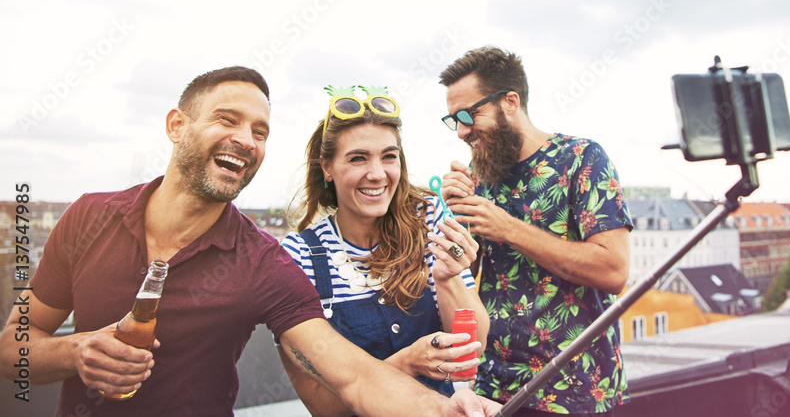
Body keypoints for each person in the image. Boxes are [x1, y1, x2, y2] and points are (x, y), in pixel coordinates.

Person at [0, 66, 499, 417]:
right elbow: (12, 352)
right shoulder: (88, 216)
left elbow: (354, 378)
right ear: (177, 125)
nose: (247, 139)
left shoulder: (263, 263)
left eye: (260, 131)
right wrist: (77, 352)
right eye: (227, 119)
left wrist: (444, 409)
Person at [439, 47, 632, 415]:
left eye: (469, 114)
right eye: (454, 120)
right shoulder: (478, 174)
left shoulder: (582, 158)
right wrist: (457, 222)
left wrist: (508, 228)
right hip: (494, 391)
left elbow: (613, 271)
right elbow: (468, 280)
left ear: (510, 101)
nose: (462, 131)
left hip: (577, 393)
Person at [279, 85, 489, 414]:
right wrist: (408, 361)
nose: (377, 174)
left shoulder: (429, 219)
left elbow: (474, 347)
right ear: (327, 167)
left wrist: (447, 279)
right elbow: (323, 406)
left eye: (388, 156)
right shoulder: (298, 257)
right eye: (358, 158)